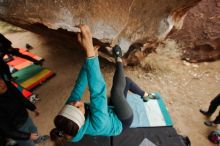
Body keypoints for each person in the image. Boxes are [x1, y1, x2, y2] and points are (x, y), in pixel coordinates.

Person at [50, 24, 154, 145]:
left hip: (108, 112)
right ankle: (119, 58)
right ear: (81, 118)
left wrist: (89, 59)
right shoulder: (98, 123)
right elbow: (98, 92)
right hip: (121, 121)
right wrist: (90, 52)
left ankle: (144, 94)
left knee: (125, 82)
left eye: (72, 104)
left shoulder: (69, 118)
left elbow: (79, 86)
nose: (77, 102)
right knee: (116, 94)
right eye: (77, 107)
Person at [0, 77, 49, 146]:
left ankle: (38, 140)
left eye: (1, 80)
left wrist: (32, 108)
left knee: (33, 129)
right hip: (16, 128)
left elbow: (20, 97)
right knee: (28, 143)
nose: (2, 84)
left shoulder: (8, 84)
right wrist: (27, 136)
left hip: (25, 116)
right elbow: (7, 130)